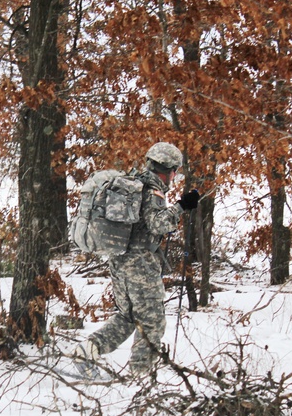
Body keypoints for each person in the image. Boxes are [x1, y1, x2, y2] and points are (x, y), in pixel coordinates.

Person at [71, 142, 199, 379]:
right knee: (151, 322)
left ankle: (87, 351)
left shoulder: (134, 183)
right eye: (175, 171)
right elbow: (158, 224)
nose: (174, 176)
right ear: (170, 170)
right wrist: (182, 207)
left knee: (129, 317)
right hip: (140, 265)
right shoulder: (152, 190)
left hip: (120, 261)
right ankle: (141, 378)